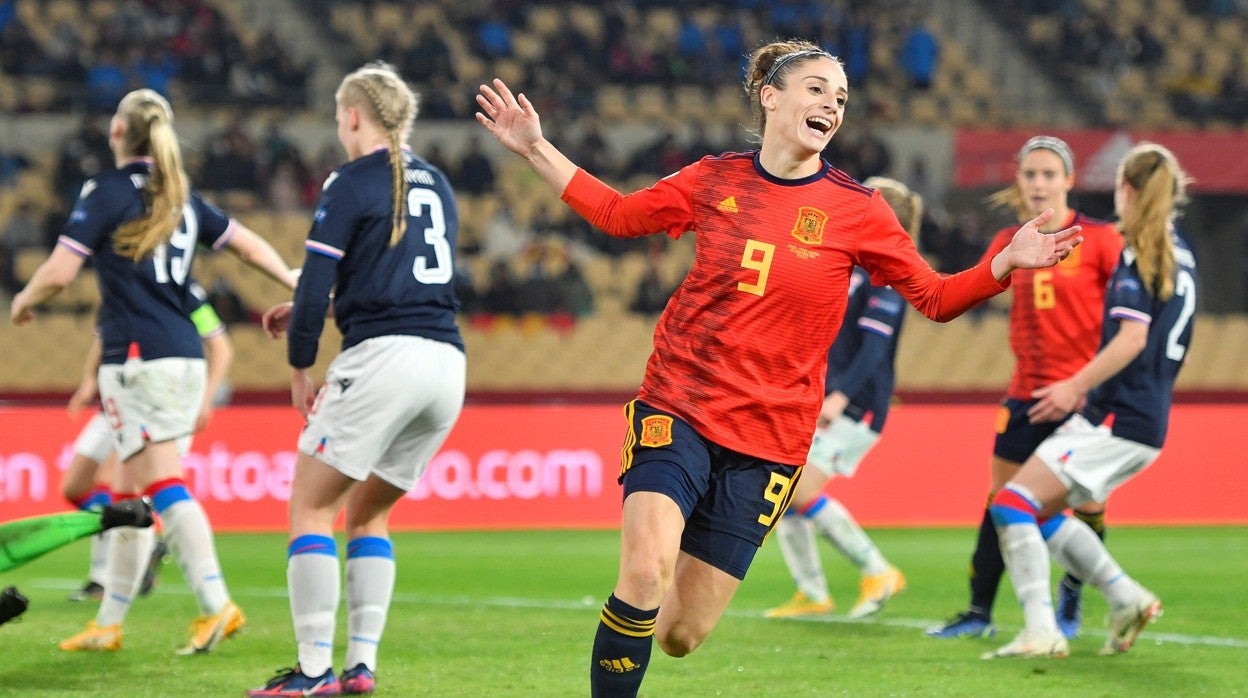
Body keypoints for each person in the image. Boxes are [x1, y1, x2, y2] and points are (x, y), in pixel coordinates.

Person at [474, 39, 1082, 697]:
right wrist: (535, 146)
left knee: (680, 635)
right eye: (817, 89)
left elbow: (933, 298)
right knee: (645, 574)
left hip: (770, 441)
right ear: (772, 96)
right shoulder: (715, 179)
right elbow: (619, 216)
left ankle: (636, 620)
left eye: (841, 98)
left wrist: (1002, 265)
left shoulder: (860, 211)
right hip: (679, 405)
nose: (832, 105)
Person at [9, 88, 297, 654]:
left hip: (139, 359)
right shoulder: (180, 195)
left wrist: (25, 298)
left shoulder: (107, 191)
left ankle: (216, 606)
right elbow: (247, 246)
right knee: (127, 493)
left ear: (119, 133)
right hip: (183, 356)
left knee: (164, 487)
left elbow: (61, 271)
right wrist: (294, 281)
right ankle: (109, 623)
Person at [246, 61, 465, 697]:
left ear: (351, 116)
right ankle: (360, 666)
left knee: (310, 506)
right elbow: (411, 282)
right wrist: (344, 308)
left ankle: (312, 671)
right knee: (368, 515)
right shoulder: (439, 182)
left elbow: (313, 284)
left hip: (383, 361)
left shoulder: (350, 179)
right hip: (445, 364)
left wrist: (299, 363)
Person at [982, 142, 1195, 659]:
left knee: (1010, 502)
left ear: (1125, 190)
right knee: (1043, 513)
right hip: (1146, 417)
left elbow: (1132, 338)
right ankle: (1126, 598)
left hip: (1115, 416)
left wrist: (1076, 386)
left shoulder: (1133, 252)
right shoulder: (1180, 251)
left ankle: (1041, 629)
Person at [926, 136, 1124, 641]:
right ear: (1019, 181)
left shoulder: (1100, 240)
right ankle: (978, 612)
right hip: (1025, 396)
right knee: (999, 500)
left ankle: (1072, 602)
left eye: (1048, 174)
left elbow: (1128, 319)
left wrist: (1092, 385)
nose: (1039, 184)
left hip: (1083, 399)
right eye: (1030, 174)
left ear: (1068, 180)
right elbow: (973, 286)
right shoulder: (1008, 240)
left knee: (1088, 506)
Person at [764, 177, 920, 621]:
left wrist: (842, 396)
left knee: (795, 489)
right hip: (823, 397)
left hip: (857, 405)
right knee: (782, 491)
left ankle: (878, 570)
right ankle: (812, 593)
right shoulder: (852, 269)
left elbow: (874, 348)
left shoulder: (888, 275)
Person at [62, 280, 234, 602]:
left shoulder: (185, 291)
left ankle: (103, 578)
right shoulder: (117, 282)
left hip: (152, 403)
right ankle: (146, 540)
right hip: (113, 399)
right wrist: (88, 381)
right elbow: (103, 339)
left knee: (111, 483)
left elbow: (221, 347)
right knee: (75, 487)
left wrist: (206, 399)